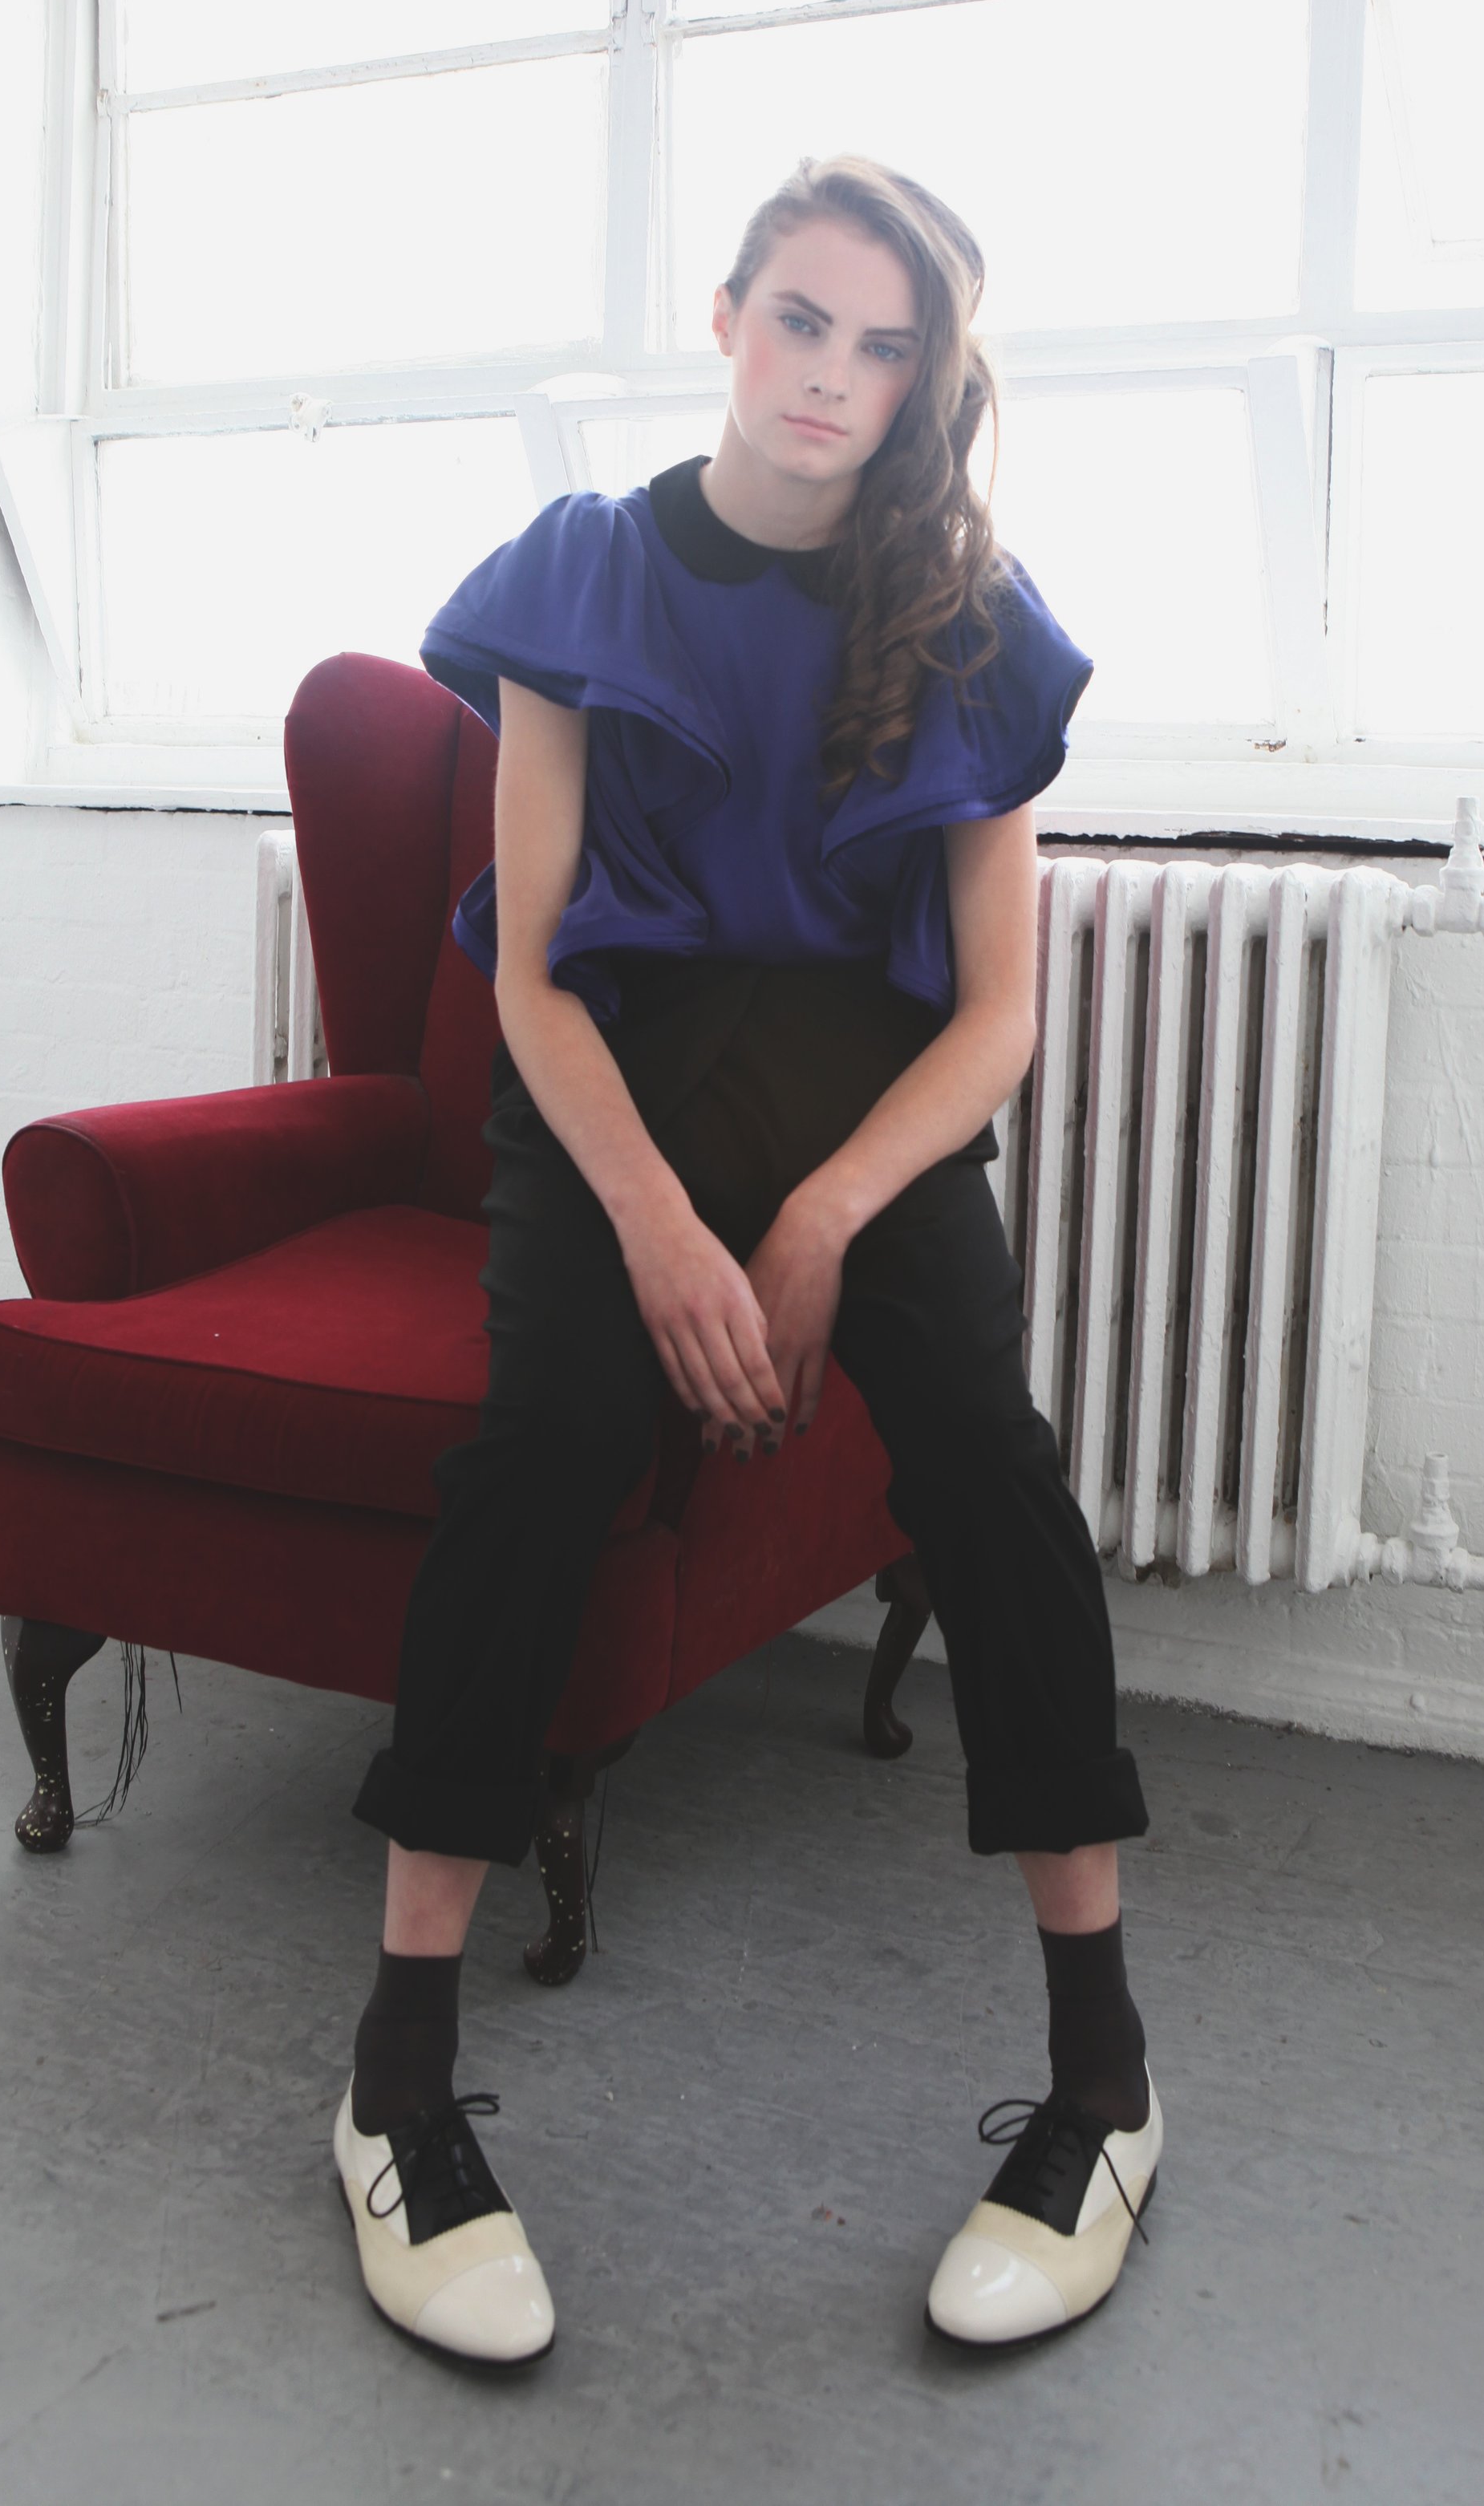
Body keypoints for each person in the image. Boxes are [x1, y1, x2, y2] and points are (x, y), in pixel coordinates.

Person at [330, 156, 1158, 2362]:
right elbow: (528, 967)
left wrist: (807, 1224)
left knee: (987, 1461)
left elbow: (994, 1013)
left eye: (888, 347)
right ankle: (396, 2083)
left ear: (925, 379)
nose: (836, 378)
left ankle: (1101, 2081)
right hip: (611, 1084)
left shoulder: (969, 615)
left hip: (868, 1115)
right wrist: (660, 1230)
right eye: (803, 321)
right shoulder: (587, 576)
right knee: (543, 1444)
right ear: (722, 318)